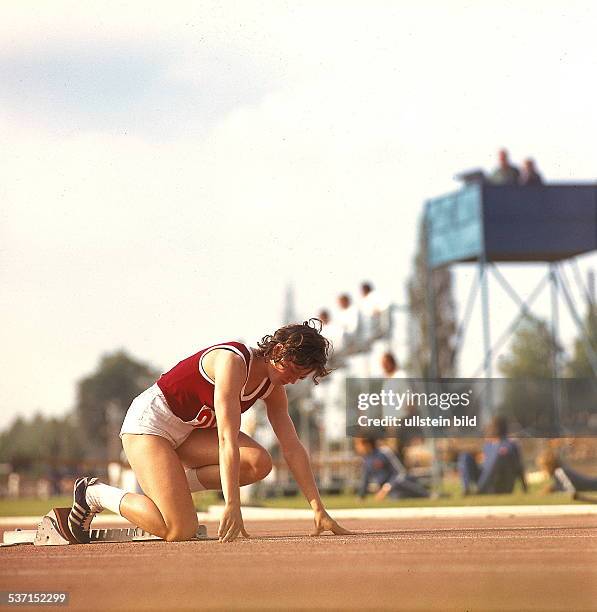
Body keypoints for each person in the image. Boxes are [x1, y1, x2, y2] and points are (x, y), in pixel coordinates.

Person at [68, 319, 351, 544]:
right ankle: (93, 492)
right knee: (178, 530)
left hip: (186, 433)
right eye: (292, 370)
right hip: (150, 425)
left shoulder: (273, 388)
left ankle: (170, 487)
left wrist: (317, 507)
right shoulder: (233, 361)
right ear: (277, 350)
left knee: (259, 463)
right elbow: (226, 438)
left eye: (300, 377)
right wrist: (233, 505)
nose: (292, 380)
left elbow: (292, 446)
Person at [458, 416, 527, 495]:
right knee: (465, 456)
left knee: (500, 453)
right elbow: (485, 465)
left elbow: (519, 467)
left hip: (502, 484)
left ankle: (480, 490)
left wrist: (524, 486)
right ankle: (467, 488)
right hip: (485, 481)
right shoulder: (488, 445)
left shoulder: (510, 445)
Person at [354, 437, 429, 500]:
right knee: (396, 497)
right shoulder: (366, 459)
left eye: (358, 444)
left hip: (398, 482)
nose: (357, 447)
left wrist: (386, 488)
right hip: (390, 490)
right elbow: (365, 478)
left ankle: (427, 494)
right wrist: (361, 496)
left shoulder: (384, 453)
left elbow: (400, 472)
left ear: (367, 444)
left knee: (402, 482)